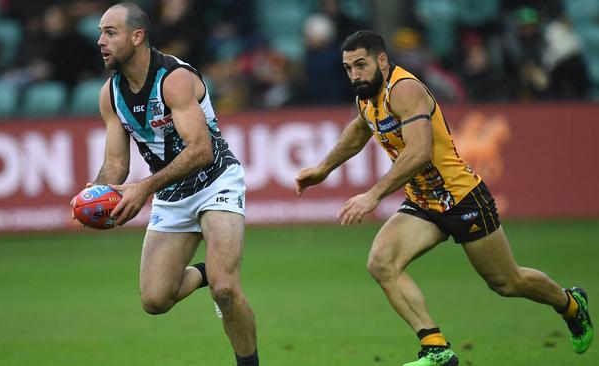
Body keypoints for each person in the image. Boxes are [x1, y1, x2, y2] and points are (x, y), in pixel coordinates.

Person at [295, 30, 593, 366]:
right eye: (348, 68)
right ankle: (436, 349)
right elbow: (360, 129)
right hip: (424, 202)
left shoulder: (404, 89)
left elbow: (420, 152)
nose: (355, 75)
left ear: (381, 59)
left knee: (507, 282)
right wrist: (323, 168)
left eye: (360, 65)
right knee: (382, 262)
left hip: (462, 197)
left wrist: (373, 195)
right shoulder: (366, 96)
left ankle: (570, 304)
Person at [82, 3, 259, 365]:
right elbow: (116, 164)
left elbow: (201, 151)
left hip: (216, 181)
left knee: (226, 290)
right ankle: (208, 269)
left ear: (137, 36)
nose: (100, 41)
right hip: (171, 196)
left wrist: (143, 188)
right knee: (155, 300)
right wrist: (95, 195)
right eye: (101, 32)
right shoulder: (110, 96)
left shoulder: (174, 78)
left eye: (110, 32)